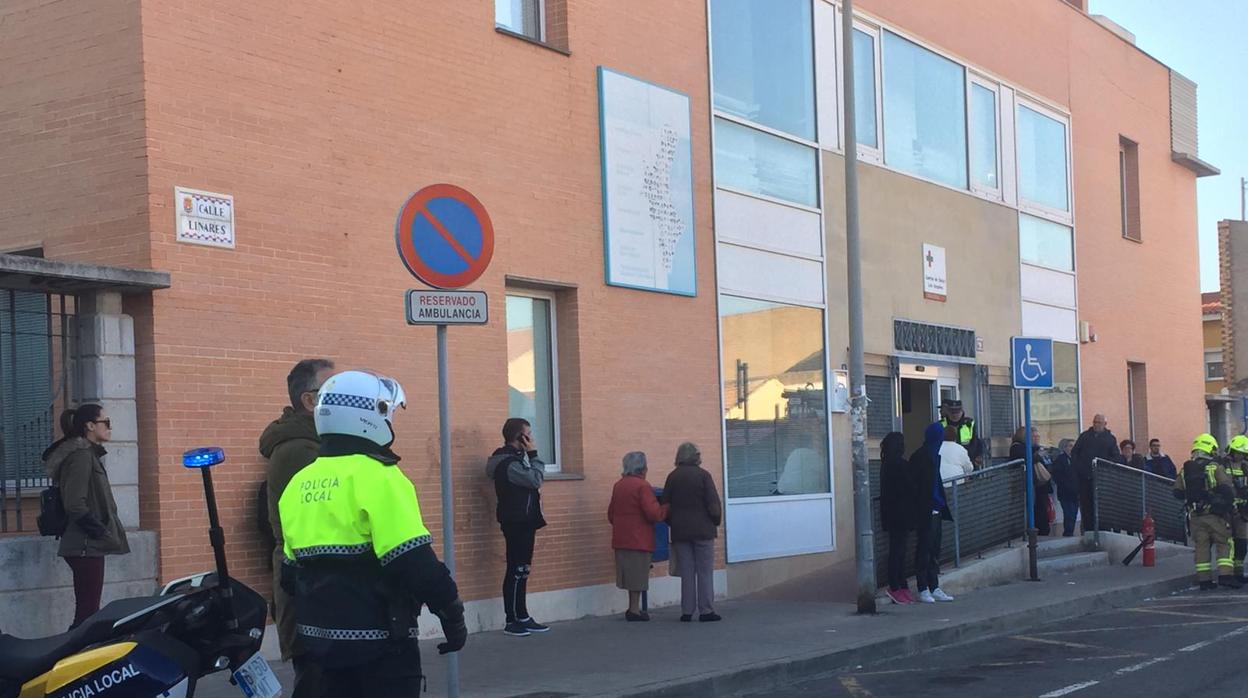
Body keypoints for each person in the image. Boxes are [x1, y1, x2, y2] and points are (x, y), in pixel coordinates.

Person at [278, 370, 466, 693]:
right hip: (380, 649)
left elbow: (289, 576)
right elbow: (415, 563)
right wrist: (452, 613)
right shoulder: (381, 478)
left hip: (318, 652)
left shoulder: (298, 484)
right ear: (368, 416)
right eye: (388, 414)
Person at [258, 358, 333, 697]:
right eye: (333, 389)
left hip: (315, 585)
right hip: (309, 587)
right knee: (316, 681)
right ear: (309, 400)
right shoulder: (301, 451)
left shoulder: (316, 444)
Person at [42, 404, 130, 630]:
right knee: (87, 615)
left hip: (88, 544)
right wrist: (101, 531)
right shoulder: (81, 456)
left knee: (87, 612)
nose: (110, 428)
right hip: (85, 544)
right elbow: (75, 504)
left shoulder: (87, 454)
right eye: (106, 423)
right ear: (90, 426)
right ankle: (74, 659)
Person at [486, 417, 550, 637]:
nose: (531, 438)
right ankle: (511, 619)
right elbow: (535, 480)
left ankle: (522, 615)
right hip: (516, 521)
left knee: (523, 570)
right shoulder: (509, 463)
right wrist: (533, 455)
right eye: (528, 434)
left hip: (525, 520)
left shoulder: (516, 459)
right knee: (515, 569)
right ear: (519, 437)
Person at [661, 442, 722, 622]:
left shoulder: (672, 477)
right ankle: (706, 610)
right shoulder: (704, 476)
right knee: (704, 571)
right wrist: (715, 522)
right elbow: (713, 504)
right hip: (703, 530)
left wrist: (672, 523)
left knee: (686, 571)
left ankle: (687, 611)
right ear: (696, 457)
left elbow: (665, 505)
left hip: (680, 531)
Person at [1173, 433, 1241, 590]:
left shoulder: (1185, 470)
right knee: (1225, 543)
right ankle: (1225, 576)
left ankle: (1204, 580)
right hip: (1215, 514)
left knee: (1201, 546)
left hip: (1195, 516)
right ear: (1210, 449)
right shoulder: (1214, 466)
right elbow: (1226, 487)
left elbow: (1177, 492)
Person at [607, 452, 669, 621]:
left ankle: (632, 608)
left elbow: (611, 514)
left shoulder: (618, 485)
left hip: (621, 538)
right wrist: (666, 507)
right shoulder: (642, 486)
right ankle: (634, 610)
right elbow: (654, 514)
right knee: (638, 576)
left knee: (630, 575)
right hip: (639, 539)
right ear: (643, 468)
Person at [910, 422, 954, 603]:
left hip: (936, 508)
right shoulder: (921, 457)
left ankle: (934, 586)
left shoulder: (934, 456)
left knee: (934, 549)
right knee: (924, 549)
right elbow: (917, 486)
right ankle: (923, 588)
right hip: (926, 510)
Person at [879, 432, 919, 605]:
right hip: (901, 514)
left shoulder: (886, 464)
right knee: (898, 552)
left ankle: (900, 585)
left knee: (898, 551)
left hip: (891, 514)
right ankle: (896, 586)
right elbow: (910, 487)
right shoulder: (900, 465)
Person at [1071, 414, 1119, 534]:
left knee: (1102, 505)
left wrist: (1105, 468)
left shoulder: (1110, 439)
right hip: (1085, 477)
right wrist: (1079, 467)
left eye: (1099, 422)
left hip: (1102, 479)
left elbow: (1115, 457)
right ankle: (1088, 530)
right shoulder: (1085, 436)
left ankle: (1103, 529)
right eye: (1095, 422)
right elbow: (1075, 453)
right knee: (1086, 505)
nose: (1096, 425)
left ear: (1105, 424)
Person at [1010, 427, 1053, 536]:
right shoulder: (1017, 448)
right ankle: (1033, 530)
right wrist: (1038, 455)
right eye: (1033, 436)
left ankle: (1042, 529)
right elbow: (1028, 458)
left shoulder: (1033, 448)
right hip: (1025, 483)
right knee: (1032, 506)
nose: (1035, 439)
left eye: (1037, 436)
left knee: (1041, 506)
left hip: (1037, 483)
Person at [1225, 435, 1248, 582]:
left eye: (1243, 454)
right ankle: (1228, 574)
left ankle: (1238, 572)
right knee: (1228, 543)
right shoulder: (1223, 465)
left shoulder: (1246, 466)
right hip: (1227, 510)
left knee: (1242, 542)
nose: (1240, 456)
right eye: (1238, 453)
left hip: (1243, 511)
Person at [1049, 439, 1081, 537]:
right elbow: (1057, 475)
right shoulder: (1060, 460)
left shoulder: (1077, 459)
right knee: (1069, 514)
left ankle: (1069, 532)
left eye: (1074, 446)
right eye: (1070, 446)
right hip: (1065, 493)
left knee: (1074, 514)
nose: (1072, 448)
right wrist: (1065, 485)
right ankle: (1068, 533)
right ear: (1065, 448)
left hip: (1076, 493)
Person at [939, 399, 983, 467]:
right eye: (952, 412)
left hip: (967, 462)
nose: (955, 415)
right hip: (948, 462)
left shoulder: (969, 423)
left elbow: (976, 441)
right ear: (948, 412)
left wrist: (978, 455)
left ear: (962, 411)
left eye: (957, 412)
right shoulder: (941, 424)